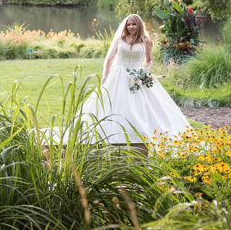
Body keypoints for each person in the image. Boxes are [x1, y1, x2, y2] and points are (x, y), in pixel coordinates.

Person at [80, 14, 191, 143]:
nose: (131, 27)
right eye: (128, 24)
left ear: (139, 25)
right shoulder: (120, 40)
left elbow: (149, 61)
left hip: (138, 74)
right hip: (118, 75)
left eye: (133, 24)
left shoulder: (146, 41)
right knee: (114, 103)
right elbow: (110, 58)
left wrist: (144, 74)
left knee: (143, 105)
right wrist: (105, 76)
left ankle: (141, 133)